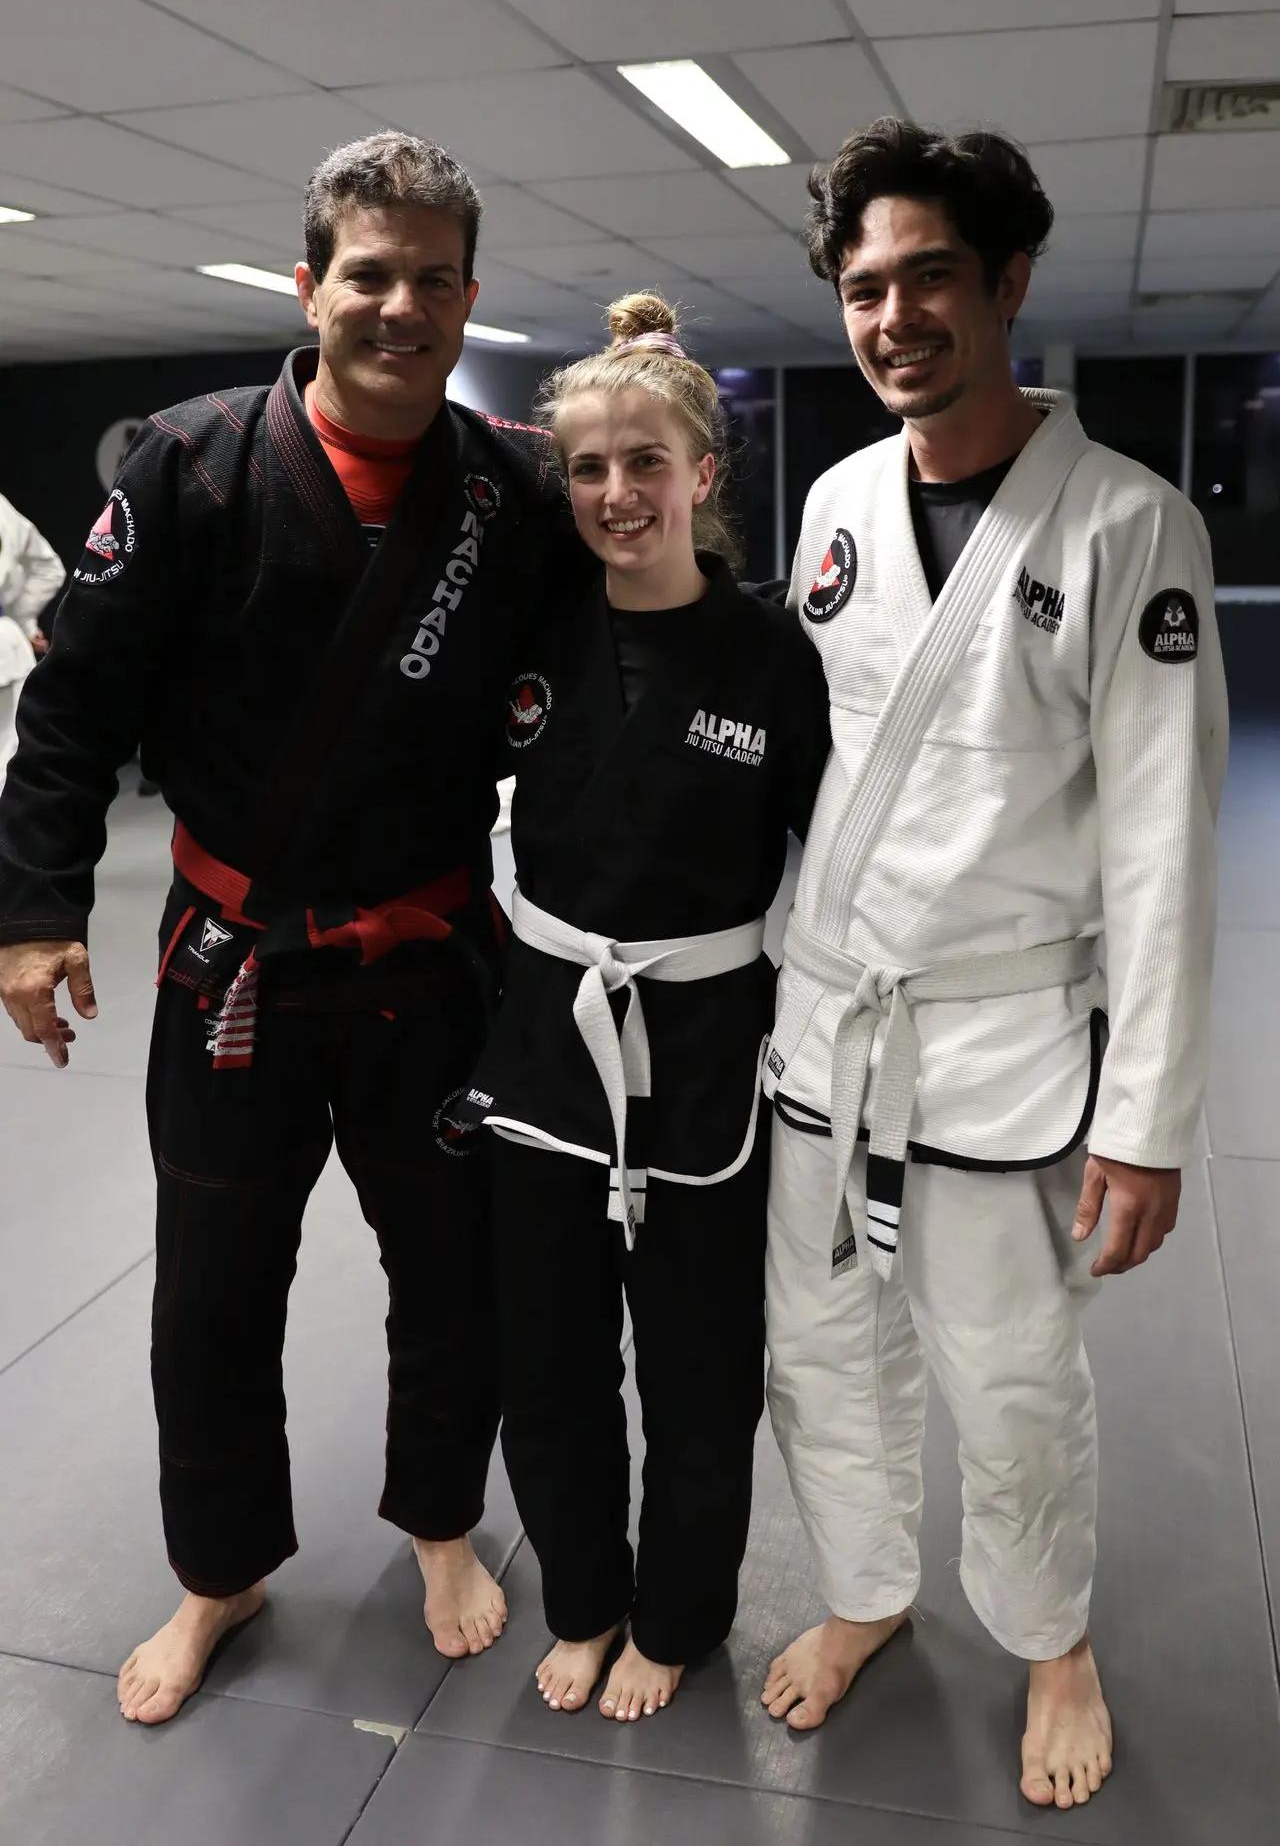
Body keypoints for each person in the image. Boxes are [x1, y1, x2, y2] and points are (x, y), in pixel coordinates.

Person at [0, 130, 565, 1726]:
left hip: (435, 962)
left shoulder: (511, 491)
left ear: (467, 298)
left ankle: (444, 1526)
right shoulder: (188, 467)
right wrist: (36, 911)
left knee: (453, 1270)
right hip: (230, 960)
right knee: (214, 1288)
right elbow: (71, 711)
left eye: (431, 281)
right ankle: (220, 1572)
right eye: (367, 275)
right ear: (308, 285)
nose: (400, 306)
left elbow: (586, 704)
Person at [759, 121, 1227, 1811]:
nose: (892, 317)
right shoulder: (828, 503)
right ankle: (868, 1595)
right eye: (865, 288)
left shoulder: (1128, 524)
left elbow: (1165, 844)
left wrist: (1151, 1114)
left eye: (928, 278)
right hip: (826, 1030)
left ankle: (1053, 1642)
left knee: (1015, 1384)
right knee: (820, 1354)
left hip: (1008, 1043)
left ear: (1009, 280)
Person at [454, 294, 831, 1722]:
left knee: (695, 1370)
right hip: (548, 1037)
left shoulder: (775, 660)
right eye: (591, 469)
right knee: (545, 1360)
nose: (618, 494)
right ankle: (584, 1600)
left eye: (646, 463)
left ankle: (674, 1617)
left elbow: (833, 868)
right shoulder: (530, 641)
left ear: (703, 477)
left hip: (708, 1046)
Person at [0, 493, 63, 788]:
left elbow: (48, 568)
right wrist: (21, 621)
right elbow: (47, 567)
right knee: (9, 756)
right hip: (5, 644)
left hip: (6, 645)